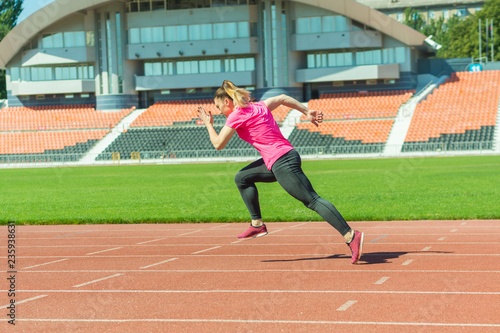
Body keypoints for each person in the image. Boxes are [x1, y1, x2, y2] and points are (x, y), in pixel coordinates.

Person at [196, 80, 364, 264]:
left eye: (218, 106)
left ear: (227, 102)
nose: (219, 111)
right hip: (280, 159)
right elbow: (283, 98)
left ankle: (351, 235)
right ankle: (257, 225)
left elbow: (218, 144)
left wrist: (208, 123)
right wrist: (306, 111)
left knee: (312, 200)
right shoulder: (259, 106)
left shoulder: (236, 115)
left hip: (282, 161)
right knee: (242, 178)